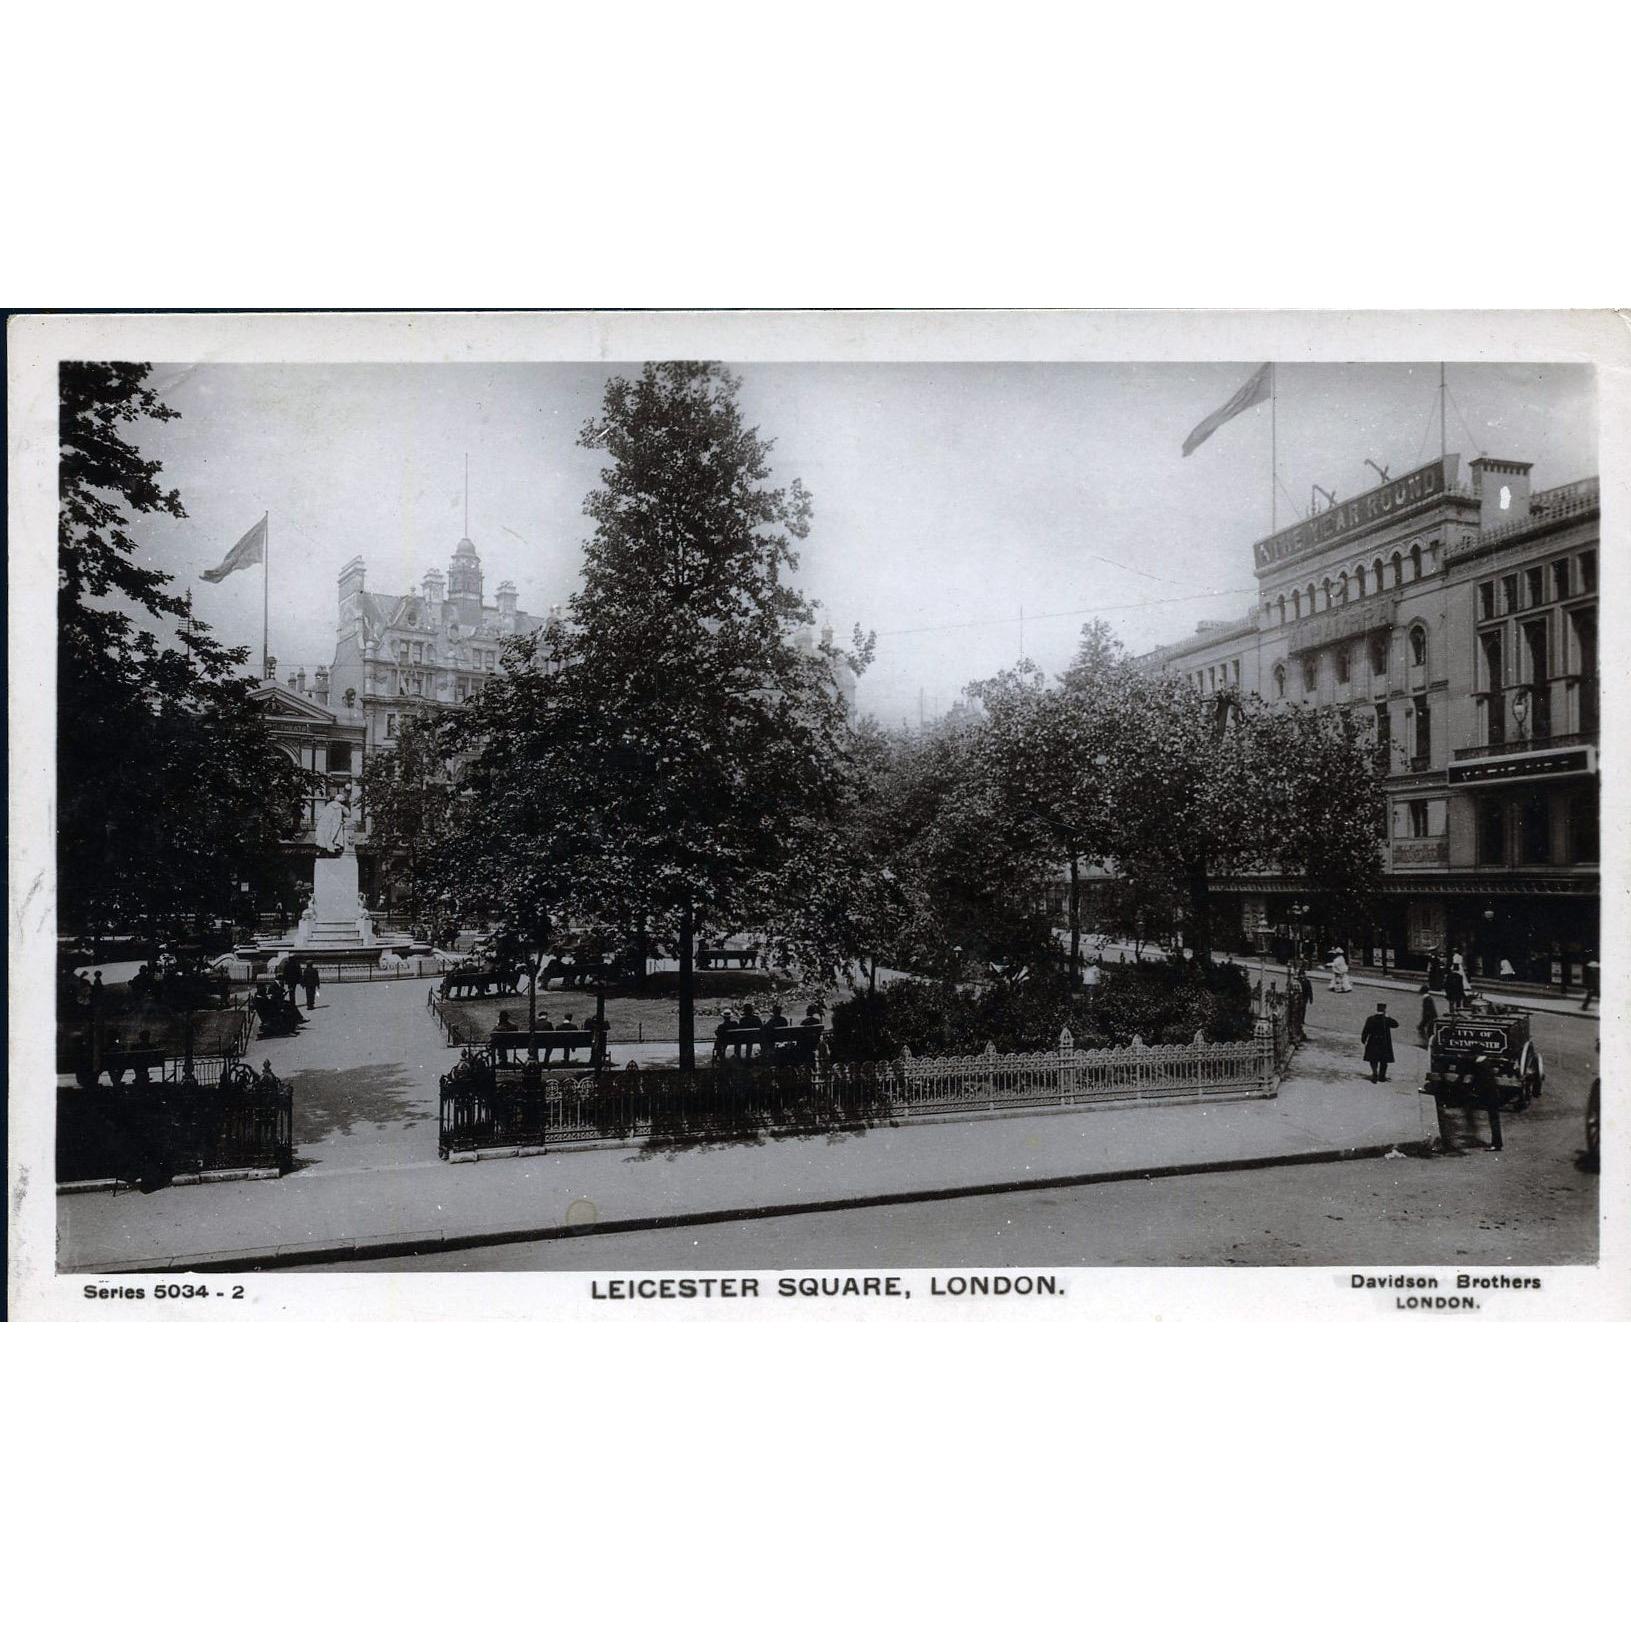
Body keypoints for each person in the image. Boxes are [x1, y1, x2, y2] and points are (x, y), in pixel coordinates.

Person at [1360, 1002, 1398, 1083]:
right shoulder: (1387, 1020)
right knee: (1384, 1060)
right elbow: (1396, 1024)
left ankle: (1375, 1073)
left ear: (1376, 1009)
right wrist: (1388, 1016)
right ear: (1384, 1010)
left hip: (1373, 1041)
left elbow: (1366, 1030)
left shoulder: (1371, 1018)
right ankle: (1382, 1076)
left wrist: (1364, 1039)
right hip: (1384, 1043)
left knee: (1373, 1059)